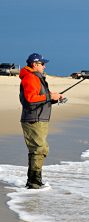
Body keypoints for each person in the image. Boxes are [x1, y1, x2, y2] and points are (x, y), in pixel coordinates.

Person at [19, 53, 63, 189]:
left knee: (39, 150)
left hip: (39, 118)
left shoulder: (36, 77)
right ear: (35, 64)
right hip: (34, 119)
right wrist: (50, 96)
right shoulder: (31, 78)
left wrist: (53, 99)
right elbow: (30, 99)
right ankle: (34, 183)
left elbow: (40, 99)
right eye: (42, 64)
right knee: (39, 149)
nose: (44, 66)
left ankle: (34, 181)